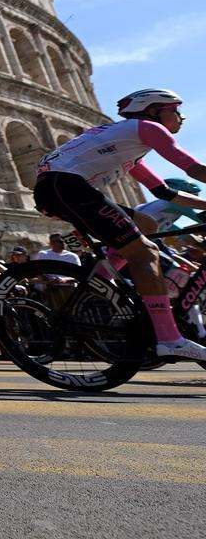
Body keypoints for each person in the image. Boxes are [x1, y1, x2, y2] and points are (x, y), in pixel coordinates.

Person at [33, 88, 206, 360]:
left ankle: (102, 277)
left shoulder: (127, 141)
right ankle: (169, 339)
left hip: (60, 188)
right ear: (153, 111)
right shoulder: (147, 127)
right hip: (67, 186)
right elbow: (193, 168)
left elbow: (164, 193)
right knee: (145, 252)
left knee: (147, 223)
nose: (181, 117)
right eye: (175, 109)